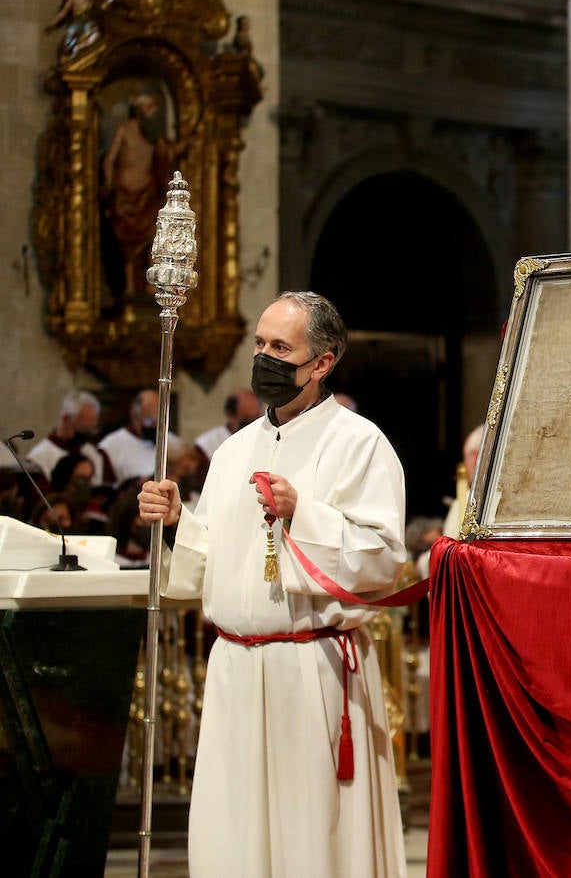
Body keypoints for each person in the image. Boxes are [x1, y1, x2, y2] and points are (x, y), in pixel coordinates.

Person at [138, 291, 407, 877]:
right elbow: (209, 561)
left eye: (281, 347)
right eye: (260, 344)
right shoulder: (233, 452)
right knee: (236, 836)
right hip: (236, 669)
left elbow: (385, 560)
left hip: (311, 671)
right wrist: (177, 523)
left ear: (322, 362)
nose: (265, 358)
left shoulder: (361, 444)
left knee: (310, 840)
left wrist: (302, 515)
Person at [101, 91, 178, 299]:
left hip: (148, 193)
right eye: (150, 108)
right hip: (125, 195)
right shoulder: (124, 130)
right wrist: (109, 183)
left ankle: (150, 285)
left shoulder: (153, 136)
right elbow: (110, 159)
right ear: (140, 111)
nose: (154, 113)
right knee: (127, 245)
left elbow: (168, 155)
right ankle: (128, 286)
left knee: (152, 237)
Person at [25, 390, 117, 486]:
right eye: (84, 428)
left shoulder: (91, 452)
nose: (90, 434)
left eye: (93, 428)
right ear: (66, 419)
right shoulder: (40, 456)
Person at [99, 389, 183, 486]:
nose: (155, 427)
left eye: (158, 421)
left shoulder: (170, 441)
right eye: (149, 421)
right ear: (134, 416)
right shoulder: (110, 446)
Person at [194, 388, 260, 465]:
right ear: (230, 415)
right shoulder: (207, 445)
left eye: (256, 420)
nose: (252, 426)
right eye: (246, 421)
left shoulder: (264, 438)